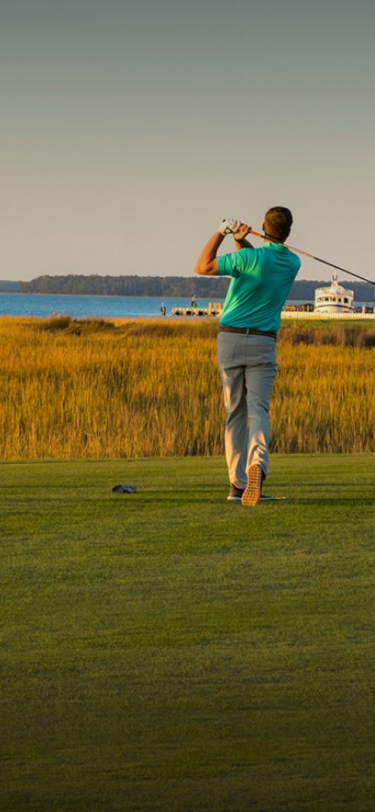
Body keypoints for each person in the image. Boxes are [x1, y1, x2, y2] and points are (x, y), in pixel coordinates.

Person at [194, 207, 301, 506]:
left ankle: (237, 485)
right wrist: (241, 241)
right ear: (288, 232)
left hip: (230, 338)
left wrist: (222, 231)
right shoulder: (293, 262)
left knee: (235, 413)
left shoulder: (248, 258)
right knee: (258, 410)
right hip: (263, 342)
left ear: (264, 226)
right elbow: (259, 266)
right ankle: (257, 466)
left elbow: (202, 266)